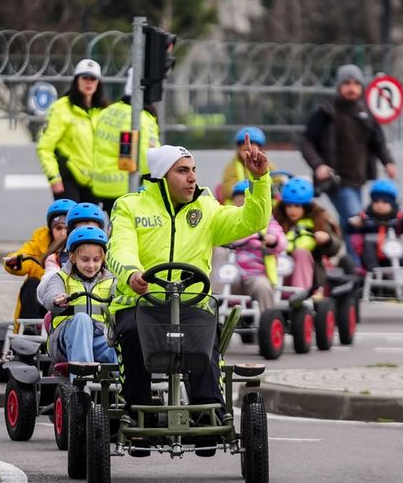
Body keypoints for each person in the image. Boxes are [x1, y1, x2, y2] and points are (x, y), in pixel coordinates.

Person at [107, 140, 270, 425]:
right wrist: (132, 274)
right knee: (132, 333)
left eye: (193, 170)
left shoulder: (207, 208)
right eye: (182, 171)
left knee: (205, 333)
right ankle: (138, 412)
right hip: (139, 303)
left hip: (191, 304)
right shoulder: (129, 206)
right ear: (161, 175)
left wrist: (258, 180)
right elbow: (119, 249)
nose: (192, 177)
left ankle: (208, 413)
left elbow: (252, 221)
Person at [300, 64, 397, 267]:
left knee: (348, 222)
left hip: (358, 180)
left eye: (355, 83)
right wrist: (319, 165)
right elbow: (306, 141)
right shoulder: (326, 111)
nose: (351, 88)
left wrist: (388, 161)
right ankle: (358, 267)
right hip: (336, 180)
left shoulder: (365, 113)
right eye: (346, 83)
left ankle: (348, 268)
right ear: (338, 86)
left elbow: (378, 141)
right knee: (355, 220)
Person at [37, 226, 117, 371]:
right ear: (72, 257)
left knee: (117, 347)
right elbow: (50, 295)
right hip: (64, 340)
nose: (91, 265)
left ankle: (122, 388)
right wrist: (57, 300)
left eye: (96, 260)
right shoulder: (61, 278)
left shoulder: (111, 281)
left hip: (98, 339)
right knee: (82, 318)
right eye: (85, 260)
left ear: (103, 258)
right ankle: (82, 380)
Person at [36, 58, 108, 202]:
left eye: (93, 78)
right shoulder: (61, 109)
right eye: (85, 77)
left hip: (95, 181)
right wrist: (53, 177)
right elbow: (45, 147)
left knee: (91, 223)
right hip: (68, 178)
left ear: (98, 83)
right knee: (71, 222)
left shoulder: (103, 111)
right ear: (76, 80)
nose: (89, 82)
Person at [90, 67, 159, 213]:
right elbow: (150, 158)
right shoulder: (143, 119)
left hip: (100, 185)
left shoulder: (107, 112)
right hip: (126, 187)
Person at [4, 198, 76, 329]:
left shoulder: (80, 249)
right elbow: (24, 253)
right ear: (50, 228)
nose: (62, 233)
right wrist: (14, 261)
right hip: (41, 304)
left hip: (70, 303)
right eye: (58, 228)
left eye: (66, 229)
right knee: (31, 282)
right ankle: (29, 327)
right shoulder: (39, 246)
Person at [222, 180, 286, 312]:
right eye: (238, 199)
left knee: (263, 287)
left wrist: (273, 240)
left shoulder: (266, 221)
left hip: (255, 275)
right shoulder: (228, 219)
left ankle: (268, 320)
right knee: (218, 262)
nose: (241, 203)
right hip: (231, 274)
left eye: (245, 200)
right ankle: (211, 315)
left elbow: (281, 242)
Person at [272, 177, 342, 292]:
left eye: (297, 206)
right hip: (279, 269)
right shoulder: (276, 219)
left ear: (305, 207)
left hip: (310, 274)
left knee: (301, 253)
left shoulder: (318, 220)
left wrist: (327, 240)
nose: (292, 210)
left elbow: (335, 248)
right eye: (289, 206)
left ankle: (300, 294)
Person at [346, 179, 403, 271]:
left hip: (393, 254)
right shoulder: (365, 217)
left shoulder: (398, 219)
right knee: (369, 240)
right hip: (371, 259)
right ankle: (374, 271)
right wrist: (355, 223)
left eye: (384, 202)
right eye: (376, 201)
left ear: (392, 203)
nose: (380, 205)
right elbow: (350, 227)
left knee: (399, 246)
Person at [220, 126, 284, 204]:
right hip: (242, 201)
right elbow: (227, 188)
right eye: (245, 150)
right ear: (238, 150)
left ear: (260, 150)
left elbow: (279, 182)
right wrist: (245, 190)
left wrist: (270, 189)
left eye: (253, 150)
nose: (249, 153)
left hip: (263, 200)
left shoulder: (268, 164)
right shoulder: (232, 166)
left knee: (280, 203)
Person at [43, 202, 107, 276]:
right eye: (81, 231)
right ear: (69, 232)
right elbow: (48, 283)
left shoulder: (110, 258)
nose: (88, 236)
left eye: (93, 230)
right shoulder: (55, 258)